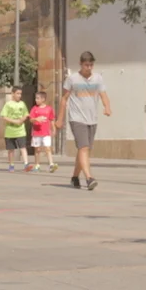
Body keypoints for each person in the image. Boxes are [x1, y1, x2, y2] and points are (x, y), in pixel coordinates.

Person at [58, 51, 111, 191]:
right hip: (76, 118)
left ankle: (75, 177)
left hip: (92, 119)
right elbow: (64, 99)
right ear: (80, 64)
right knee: (84, 148)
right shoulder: (72, 79)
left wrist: (107, 107)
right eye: (86, 65)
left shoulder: (98, 78)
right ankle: (89, 178)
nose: (89, 67)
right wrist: (60, 119)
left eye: (91, 65)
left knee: (85, 150)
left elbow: (103, 95)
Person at [1, 86, 30, 172]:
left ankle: (26, 164)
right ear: (13, 94)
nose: (19, 95)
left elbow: (26, 114)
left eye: (20, 94)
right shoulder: (8, 104)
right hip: (10, 131)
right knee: (11, 149)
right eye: (17, 93)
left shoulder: (22, 104)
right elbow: (4, 116)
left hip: (21, 130)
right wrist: (14, 121)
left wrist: (21, 120)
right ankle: (11, 165)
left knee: (23, 147)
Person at [28, 90, 57, 173]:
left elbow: (52, 119)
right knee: (37, 149)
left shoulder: (49, 109)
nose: (36, 100)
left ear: (43, 99)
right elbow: (31, 119)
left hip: (46, 133)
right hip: (36, 133)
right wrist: (36, 119)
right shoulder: (34, 108)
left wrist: (54, 129)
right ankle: (37, 165)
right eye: (35, 98)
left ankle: (51, 164)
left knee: (48, 148)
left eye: (38, 98)